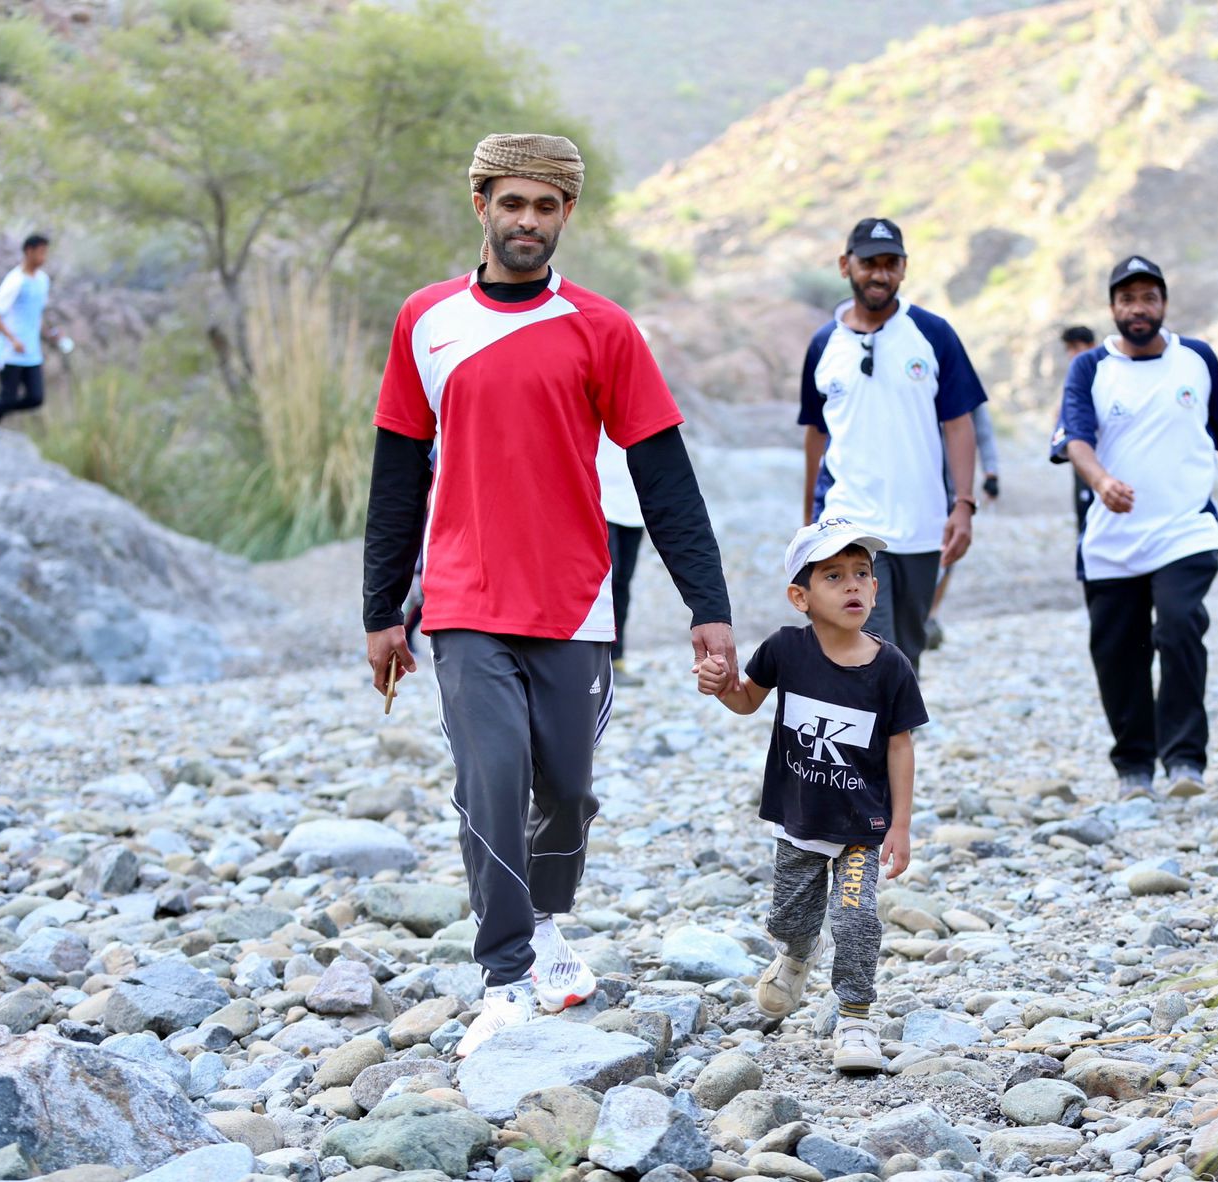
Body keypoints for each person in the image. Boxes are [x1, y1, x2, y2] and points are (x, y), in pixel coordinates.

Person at [362, 133, 736, 1057]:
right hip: (462, 598)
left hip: (574, 601)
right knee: (492, 779)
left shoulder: (603, 329)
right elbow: (398, 474)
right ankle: (504, 981)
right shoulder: (426, 320)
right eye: (512, 203)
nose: (527, 221)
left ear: (567, 212)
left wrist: (708, 607)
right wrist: (382, 610)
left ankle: (543, 923)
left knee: (566, 791)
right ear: (481, 205)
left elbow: (665, 478)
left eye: (545, 206)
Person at [694, 518, 925, 1073]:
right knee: (790, 920)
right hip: (799, 818)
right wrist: (720, 685)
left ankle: (856, 1019)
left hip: (863, 827)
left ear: (875, 589)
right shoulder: (786, 649)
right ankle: (798, 954)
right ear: (801, 596)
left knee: (855, 920)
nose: (852, 585)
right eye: (833, 576)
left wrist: (900, 825)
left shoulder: (891, 667)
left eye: (861, 574)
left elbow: (900, 748)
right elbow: (746, 700)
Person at [1050, 255, 1218, 800]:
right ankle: (1134, 767)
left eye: (1148, 297)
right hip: (1111, 541)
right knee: (1118, 653)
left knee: (1179, 625)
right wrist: (1100, 481)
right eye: (1127, 299)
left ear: (1164, 303)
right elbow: (1075, 438)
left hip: (1184, 531)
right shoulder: (1090, 367)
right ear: (1113, 307)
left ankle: (1185, 760)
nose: (1138, 308)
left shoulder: (1197, 359)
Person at [800, 217, 986, 673]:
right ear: (845, 265)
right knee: (870, 648)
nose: (879, 274)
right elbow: (816, 435)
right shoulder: (824, 344)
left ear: (903, 268)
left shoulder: (933, 334)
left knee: (907, 653)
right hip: (849, 524)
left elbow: (959, 424)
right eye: (869, 263)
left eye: (890, 263)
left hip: (921, 525)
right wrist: (809, 523)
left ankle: (897, 721)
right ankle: (868, 721)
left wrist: (963, 504)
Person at [0, 234, 62, 455]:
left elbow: (35, 314)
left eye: (46, 252)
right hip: (11, 352)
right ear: (29, 251)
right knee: (8, 397)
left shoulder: (42, 280)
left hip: (32, 352)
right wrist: (13, 339)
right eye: (41, 252)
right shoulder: (15, 280)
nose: (44, 257)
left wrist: (49, 334)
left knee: (35, 398)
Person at [924, 401, 1000, 650]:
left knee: (948, 551)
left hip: (952, 490)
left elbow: (983, 431)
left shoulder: (961, 385)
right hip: (918, 485)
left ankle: (931, 614)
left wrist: (991, 472)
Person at [598, 430, 646, 686]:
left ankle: (616, 659)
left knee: (622, 584)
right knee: (603, 581)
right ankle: (595, 660)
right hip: (599, 501)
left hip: (632, 507)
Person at [1060, 326, 1097, 533]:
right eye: (1068, 348)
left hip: (1102, 459)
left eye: (1076, 347)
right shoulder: (1074, 378)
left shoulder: (1105, 375)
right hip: (1080, 459)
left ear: (1091, 346)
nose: (1071, 353)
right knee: (1083, 515)